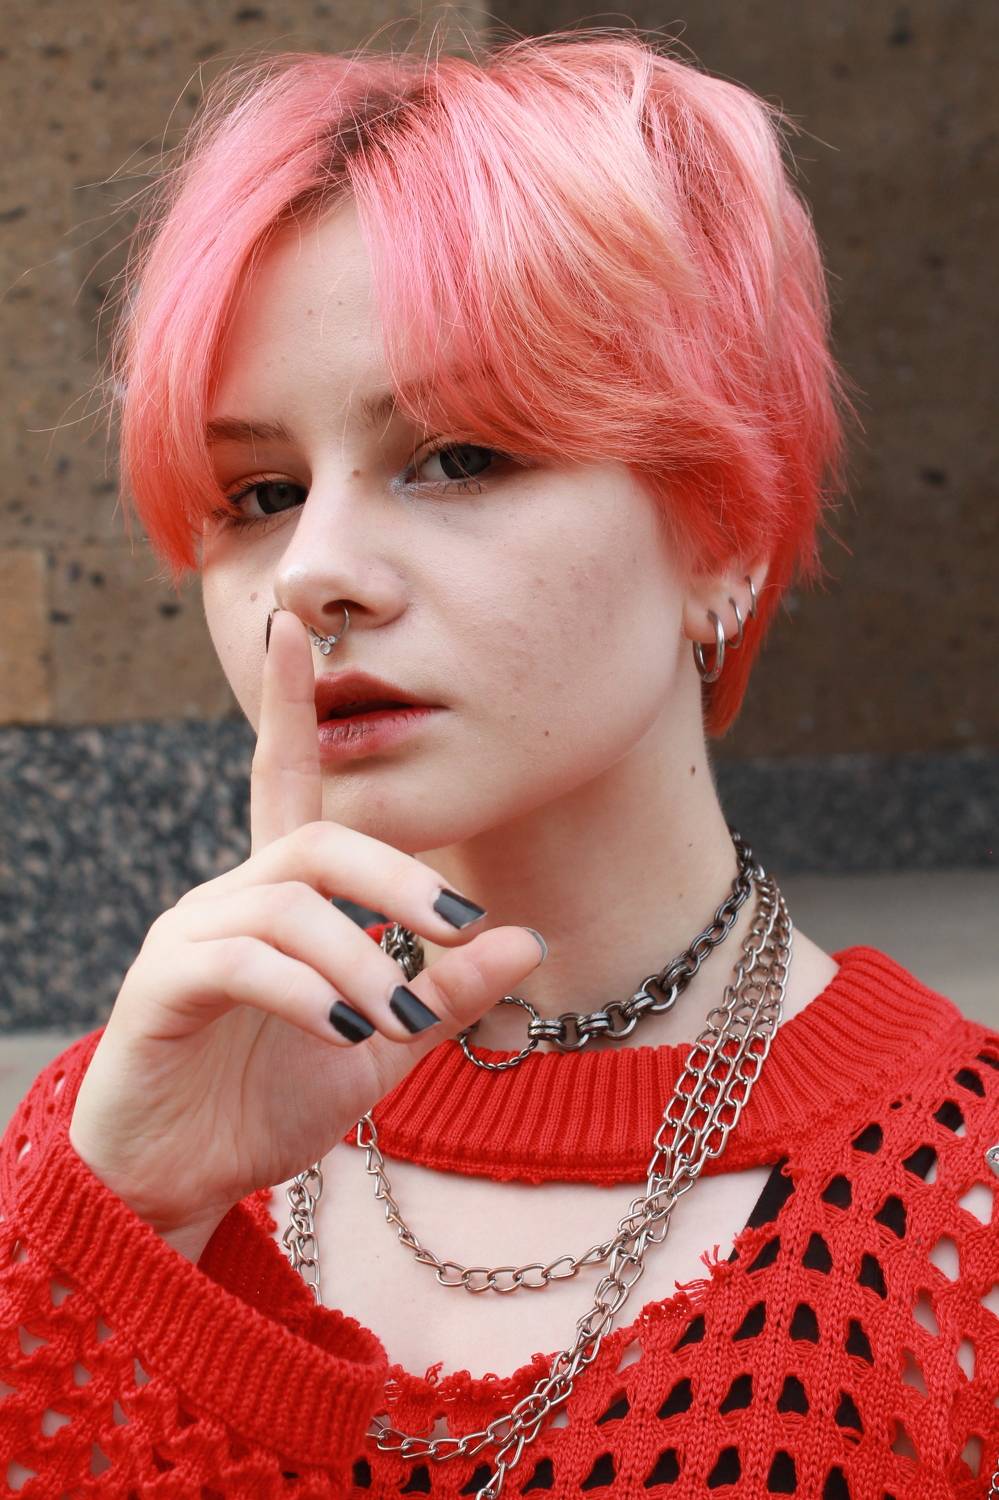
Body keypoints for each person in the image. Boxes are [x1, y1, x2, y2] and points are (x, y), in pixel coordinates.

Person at [2, 24, 997, 1500]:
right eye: (260, 492)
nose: (315, 572)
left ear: (721, 532)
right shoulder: (117, 1133)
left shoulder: (954, 1210)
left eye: (461, 456)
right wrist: (129, 1230)